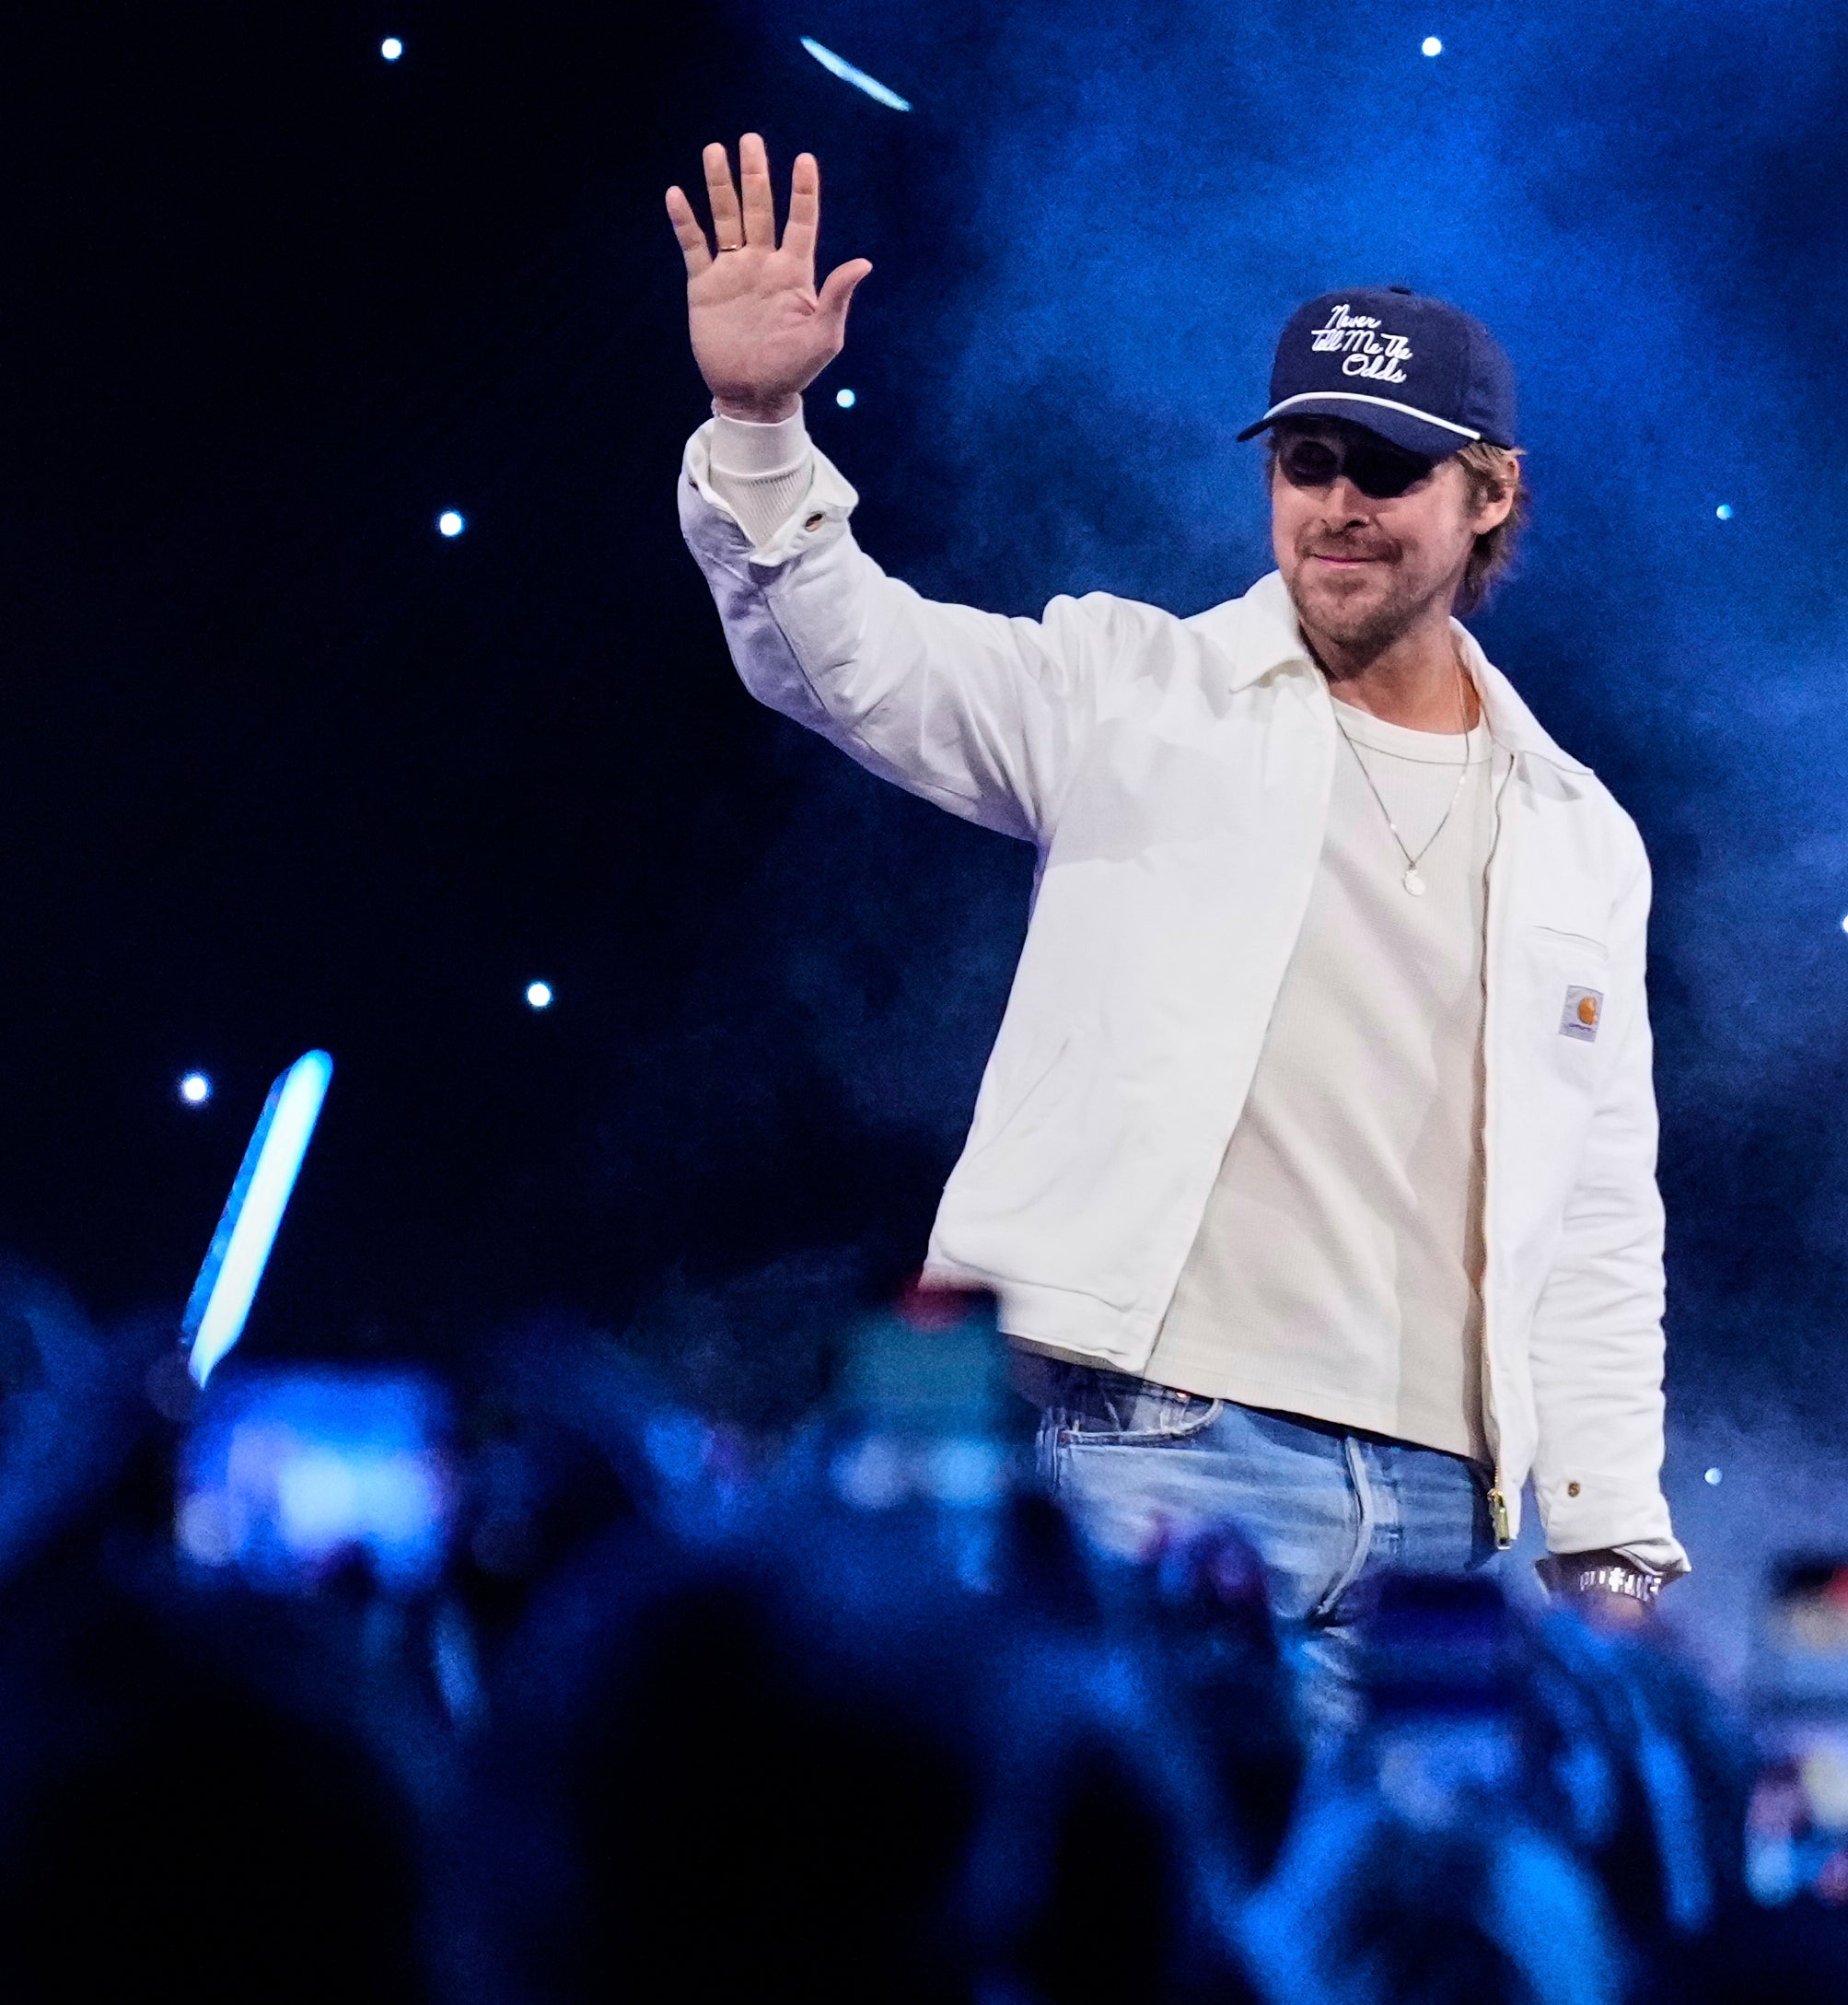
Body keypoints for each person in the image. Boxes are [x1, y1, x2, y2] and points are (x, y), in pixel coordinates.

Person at [664, 135, 1685, 1728]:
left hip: (1441, 1534)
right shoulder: (1129, 689)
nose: (1335, 505)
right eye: (1304, 461)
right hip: (1150, 1458)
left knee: (1389, 1959)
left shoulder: (1575, 833)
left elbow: (1600, 1212)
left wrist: (1610, 1540)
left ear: (1490, 493)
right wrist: (758, 424)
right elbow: (841, 655)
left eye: (1384, 466)